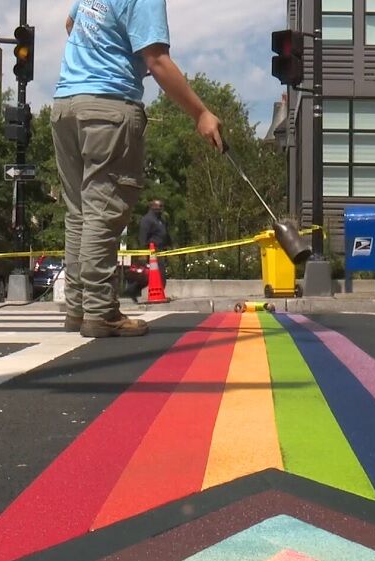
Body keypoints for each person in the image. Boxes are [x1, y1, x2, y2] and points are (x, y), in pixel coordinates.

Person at [52, 0, 223, 338]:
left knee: (80, 214)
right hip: (108, 110)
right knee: (103, 212)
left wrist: (103, 54)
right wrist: (201, 113)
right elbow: (156, 60)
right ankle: (101, 312)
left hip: (65, 108)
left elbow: (71, 26)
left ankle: (79, 308)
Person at [124, 200, 169, 302]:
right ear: (152, 207)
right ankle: (136, 290)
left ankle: (133, 290)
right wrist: (144, 253)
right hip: (152, 251)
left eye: (162, 206)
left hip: (161, 250)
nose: (161, 208)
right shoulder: (147, 220)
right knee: (158, 274)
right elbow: (143, 237)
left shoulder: (161, 219)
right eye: (159, 206)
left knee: (155, 274)